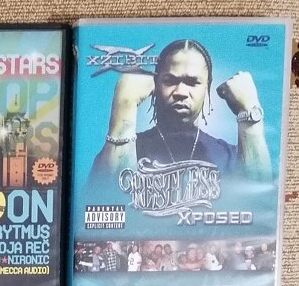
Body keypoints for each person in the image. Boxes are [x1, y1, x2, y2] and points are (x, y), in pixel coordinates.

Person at [89, 38, 271, 182]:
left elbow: (257, 205)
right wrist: (124, 106)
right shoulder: (119, 151)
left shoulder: (229, 156)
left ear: (206, 88)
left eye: (192, 82)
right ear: (155, 84)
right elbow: (105, 204)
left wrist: (249, 114)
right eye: (170, 81)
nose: (181, 92)